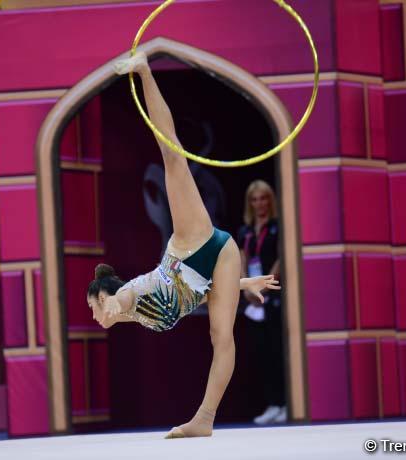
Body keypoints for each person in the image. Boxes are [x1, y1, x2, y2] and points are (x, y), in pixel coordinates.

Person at [85, 51, 280, 439]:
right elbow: (198, 295)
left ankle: (143, 70)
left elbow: (120, 299)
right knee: (220, 336)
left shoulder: (123, 298)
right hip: (218, 261)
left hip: (191, 245)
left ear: (108, 295)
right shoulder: (126, 315)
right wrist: (244, 284)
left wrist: (112, 302)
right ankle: (205, 419)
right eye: (95, 311)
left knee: (172, 157)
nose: (97, 315)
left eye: (97, 306)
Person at [237, 180, 286, 425]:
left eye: (263, 198)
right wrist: (246, 284)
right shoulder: (245, 231)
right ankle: (271, 403)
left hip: (273, 295)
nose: (259, 204)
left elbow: (281, 258)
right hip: (253, 300)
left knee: (277, 350)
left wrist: (264, 284)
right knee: (262, 352)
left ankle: (284, 403)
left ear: (270, 200)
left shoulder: (278, 227)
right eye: (255, 199)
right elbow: (243, 260)